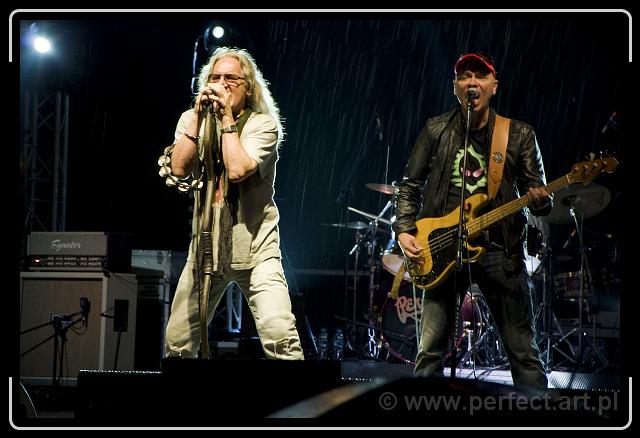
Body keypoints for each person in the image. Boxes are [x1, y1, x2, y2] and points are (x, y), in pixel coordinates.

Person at [394, 52, 550, 389]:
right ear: (455, 87)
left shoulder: (518, 134)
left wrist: (541, 200)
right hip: (442, 247)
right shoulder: (436, 129)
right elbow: (409, 185)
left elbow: (537, 194)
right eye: (465, 76)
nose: (472, 82)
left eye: (480, 75)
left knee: (523, 352)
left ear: (494, 86)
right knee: (430, 353)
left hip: (499, 250)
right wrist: (404, 230)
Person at [162, 47, 304, 360]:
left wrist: (226, 117)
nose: (221, 84)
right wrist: (197, 118)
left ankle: (298, 394)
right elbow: (179, 169)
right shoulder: (191, 120)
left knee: (280, 336)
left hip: (256, 249)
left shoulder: (262, 125)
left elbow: (238, 169)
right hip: (206, 249)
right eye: (214, 78)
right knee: (177, 343)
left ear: (248, 87)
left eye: (230, 78)